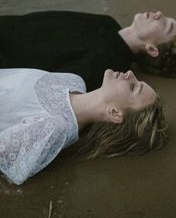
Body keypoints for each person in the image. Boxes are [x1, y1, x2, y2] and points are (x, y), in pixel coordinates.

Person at [0, 68, 167, 185]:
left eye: (133, 87)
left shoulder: (56, 127)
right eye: (138, 81)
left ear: (115, 113)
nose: (130, 73)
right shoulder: (74, 80)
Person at [0, 10, 176, 91]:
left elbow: (44, 88)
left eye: (165, 25)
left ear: (152, 49)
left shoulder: (105, 65)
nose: (159, 14)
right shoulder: (108, 23)